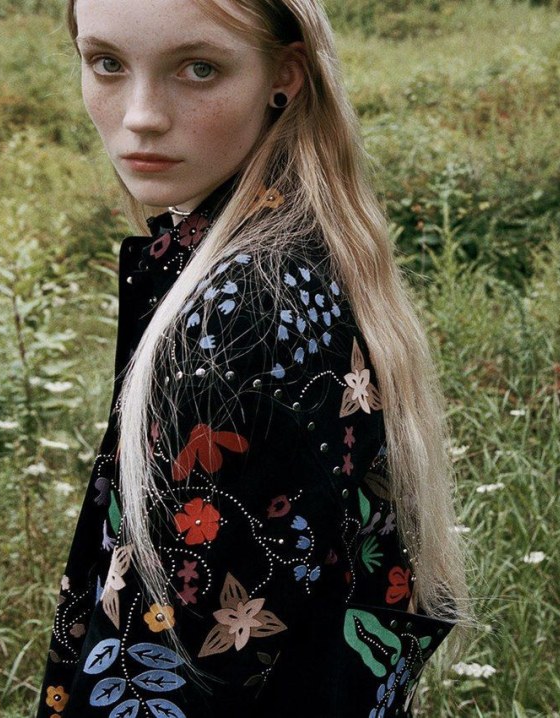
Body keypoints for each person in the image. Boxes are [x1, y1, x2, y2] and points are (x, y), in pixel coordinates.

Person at [35, 0, 474, 715]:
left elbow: (175, 682)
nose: (140, 116)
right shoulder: (301, 246)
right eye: (106, 63)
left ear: (285, 75)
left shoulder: (240, 318)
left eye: (198, 69)